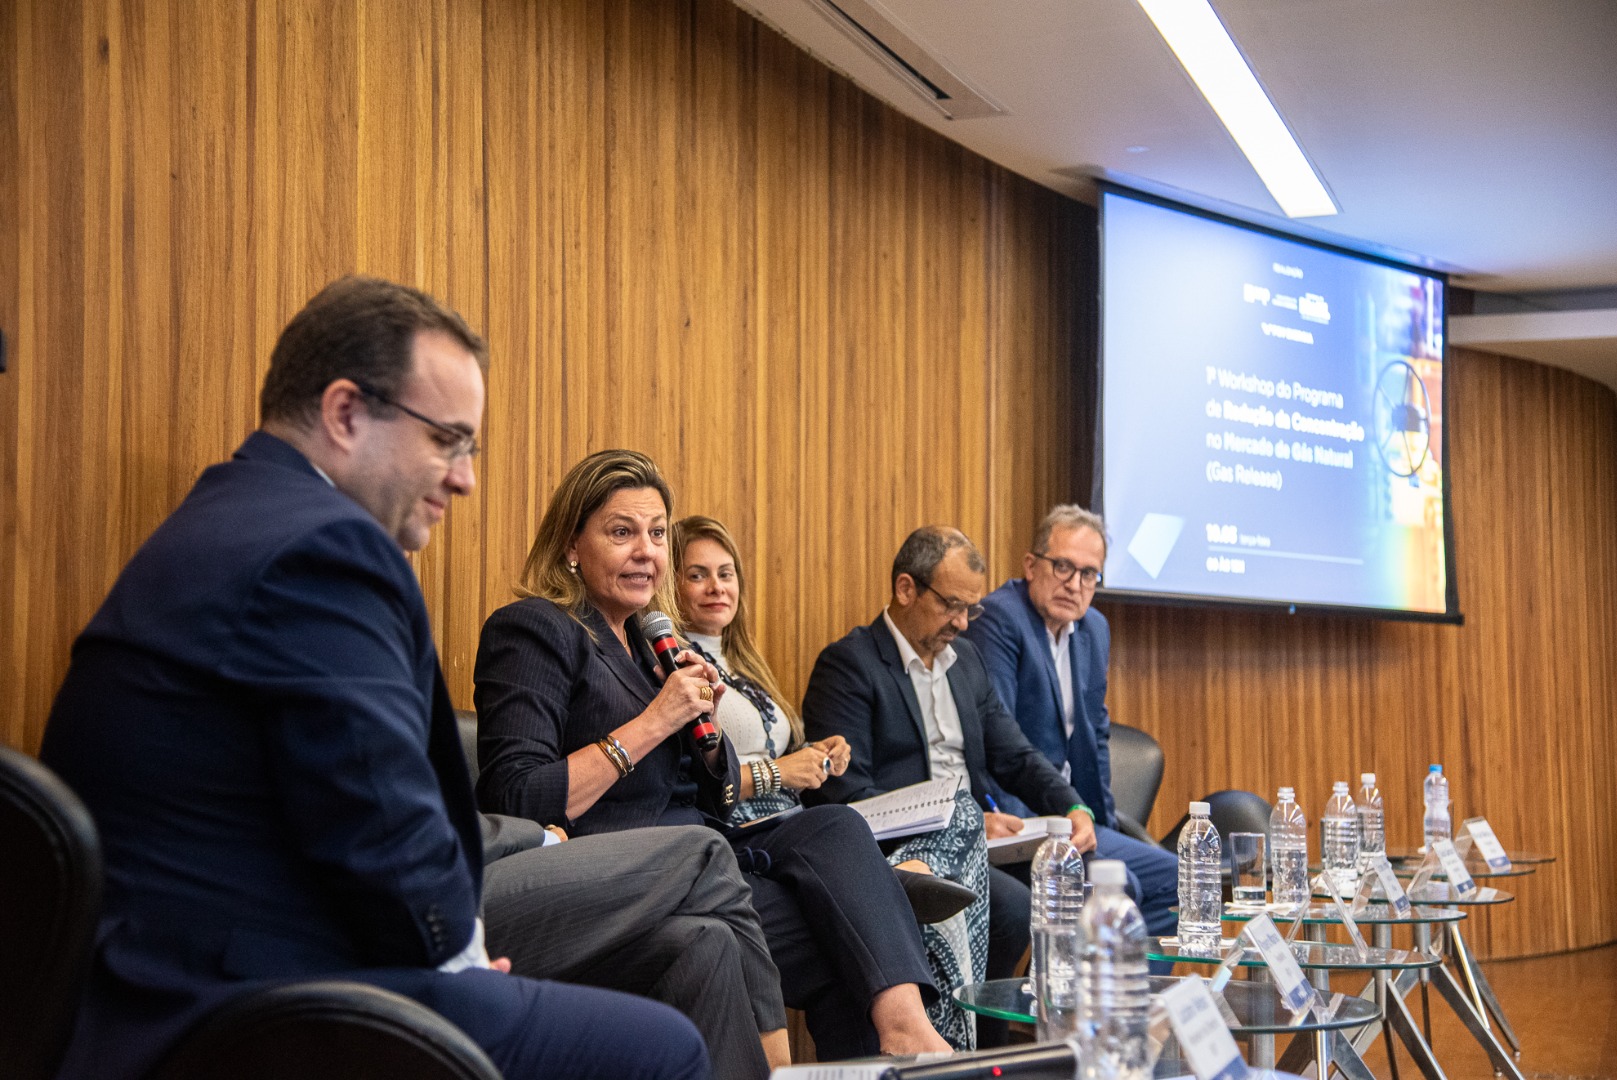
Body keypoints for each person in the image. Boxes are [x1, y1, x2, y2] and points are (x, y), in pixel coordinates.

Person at [39, 277, 707, 1080]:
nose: (464, 478)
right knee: (665, 1048)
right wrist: (454, 959)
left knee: (685, 946)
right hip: (248, 1007)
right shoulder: (319, 552)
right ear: (346, 413)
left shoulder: (238, 516)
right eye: (447, 441)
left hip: (194, 972)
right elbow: (384, 828)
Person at [473, 449, 952, 1060]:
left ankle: (907, 1034)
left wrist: (706, 730)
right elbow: (516, 796)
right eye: (622, 533)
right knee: (842, 924)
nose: (646, 552)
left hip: (712, 853)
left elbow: (713, 796)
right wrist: (654, 721)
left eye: (656, 535)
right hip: (618, 877)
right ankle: (793, 1057)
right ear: (572, 544)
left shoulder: (651, 646)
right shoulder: (536, 628)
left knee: (835, 829)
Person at [673, 516, 988, 1049]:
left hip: (791, 826)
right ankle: (941, 1035)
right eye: (698, 574)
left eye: (726, 573)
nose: (716, 586)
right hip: (747, 831)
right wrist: (782, 772)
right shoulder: (675, 665)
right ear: (670, 585)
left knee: (963, 811)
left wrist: (813, 756)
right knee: (934, 838)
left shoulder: (743, 666)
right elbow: (692, 778)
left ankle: (912, 888)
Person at [800, 525, 1098, 1047]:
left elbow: (1016, 755)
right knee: (1010, 907)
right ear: (905, 589)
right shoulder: (849, 666)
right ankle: (971, 1043)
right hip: (902, 850)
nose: (962, 623)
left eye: (971, 609)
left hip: (981, 842)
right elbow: (845, 797)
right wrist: (955, 819)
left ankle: (1028, 1047)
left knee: (1076, 885)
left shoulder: (966, 666)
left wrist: (1073, 806)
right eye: (951, 605)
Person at [961, 505, 1178, 936]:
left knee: (1175, 880)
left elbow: (1095, 736)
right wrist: (1028, 830)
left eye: (1089, 574)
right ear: (1030, 565)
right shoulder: (1000, 619)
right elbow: (999, 740)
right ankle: (1080, 996)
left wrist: (1102, 823)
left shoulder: (1094, 627)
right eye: (1063, 567)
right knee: (1122, 886)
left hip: (1071, 814)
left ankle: (1133, 996)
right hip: (1020, 817)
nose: (1074, 584)